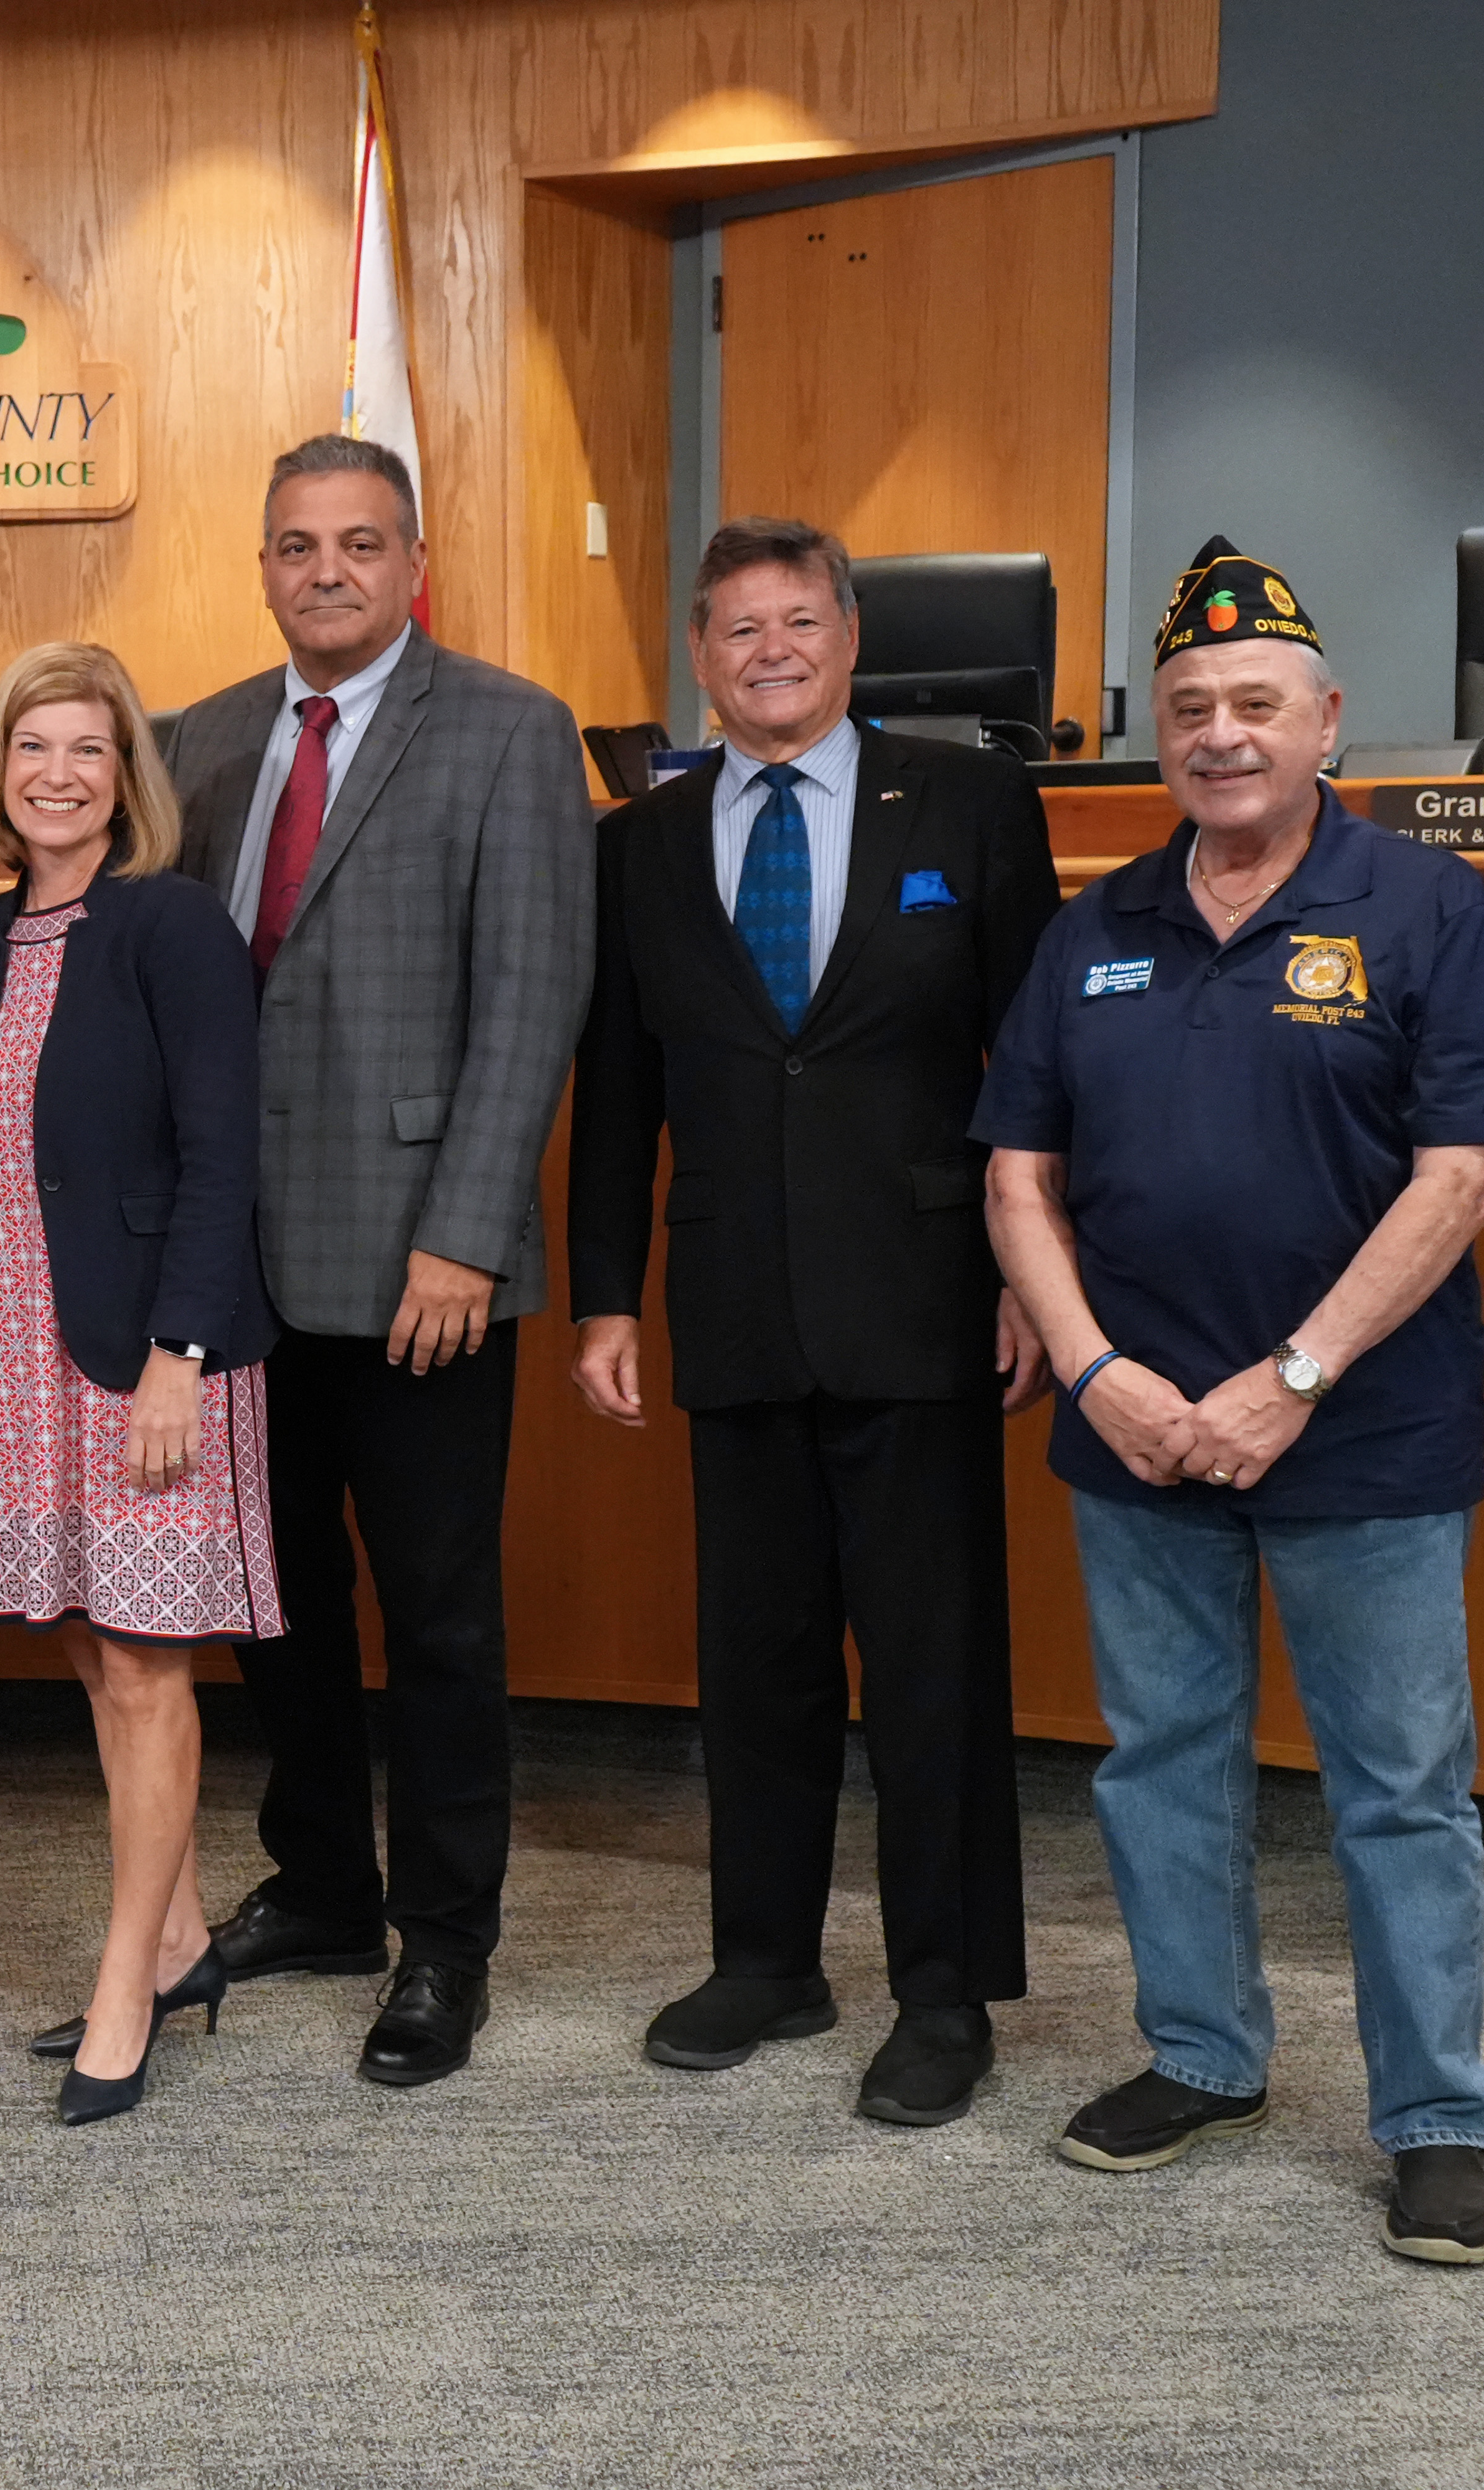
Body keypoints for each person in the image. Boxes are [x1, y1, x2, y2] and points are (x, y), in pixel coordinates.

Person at [976, 539, 1484, 2264]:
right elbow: (1014, 1176)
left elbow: (1460, 1182)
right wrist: (1097, 1369)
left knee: (1397, 1783)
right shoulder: (1097, 929)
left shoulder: (1427, 908)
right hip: (1136, 1434)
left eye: (1259, 706)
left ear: (1328, 722)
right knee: (1164, 1766)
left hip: (1361, 1431)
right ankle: (1205, 2058)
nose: (1224, 735)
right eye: (1196, 710)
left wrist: (1291, 1379)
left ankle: (1437, 2116)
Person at [566, 517, 1059, 2127]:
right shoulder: (641, 838)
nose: (769, 653)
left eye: (798, 623)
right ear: (698, 661)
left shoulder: (975, 804)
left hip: (928, 1303)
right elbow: (619, 1092)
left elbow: (1040, 1073)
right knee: (756, 1661)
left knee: (931, 1669)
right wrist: (599, 1299)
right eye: (735, 630)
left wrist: (1048, 1289)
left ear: (851, 640)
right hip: (732, 1302)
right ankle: (767, 1959)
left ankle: (946, 1991)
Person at [164, 435, 594, 2087]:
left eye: (357, 544)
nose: (324, 571)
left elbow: (533, 997)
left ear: (413, 561)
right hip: (241, 1269)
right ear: (262, 566)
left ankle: (447, 1943)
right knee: (276, 1610)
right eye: (294, 546)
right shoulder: (196, 740)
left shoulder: (508, 729)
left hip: (425, 1269)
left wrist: (466, 1236)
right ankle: (326, 1886)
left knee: (440, 1618)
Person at [0, 644, 280, 2127]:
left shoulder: (172, 926)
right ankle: (188, 1926)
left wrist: (180, 1354)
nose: (58, 773)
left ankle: (129, 1974)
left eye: (87, 749)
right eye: (33, 748)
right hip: (21, 1353)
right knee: (85, 1640)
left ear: (125, 776)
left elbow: (223, 1151)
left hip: (151, 1356)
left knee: (148, 1666)